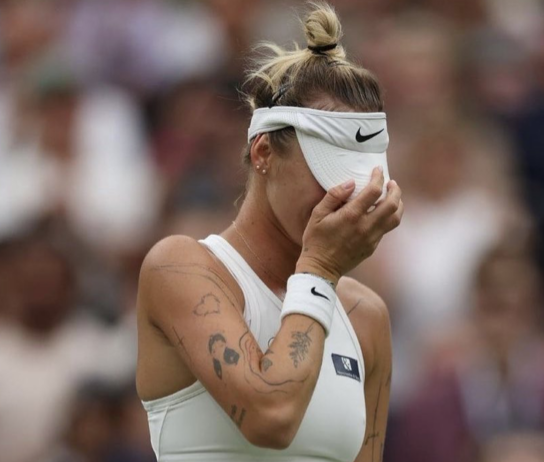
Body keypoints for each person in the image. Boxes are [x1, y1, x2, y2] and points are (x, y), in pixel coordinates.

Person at [135, 3, 402, 461]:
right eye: (329, 171)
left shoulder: (367, 317)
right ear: (263, 152)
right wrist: (318, 270)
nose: (345, 196)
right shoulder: (179, 267)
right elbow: (271, 416)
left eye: (360, 181)